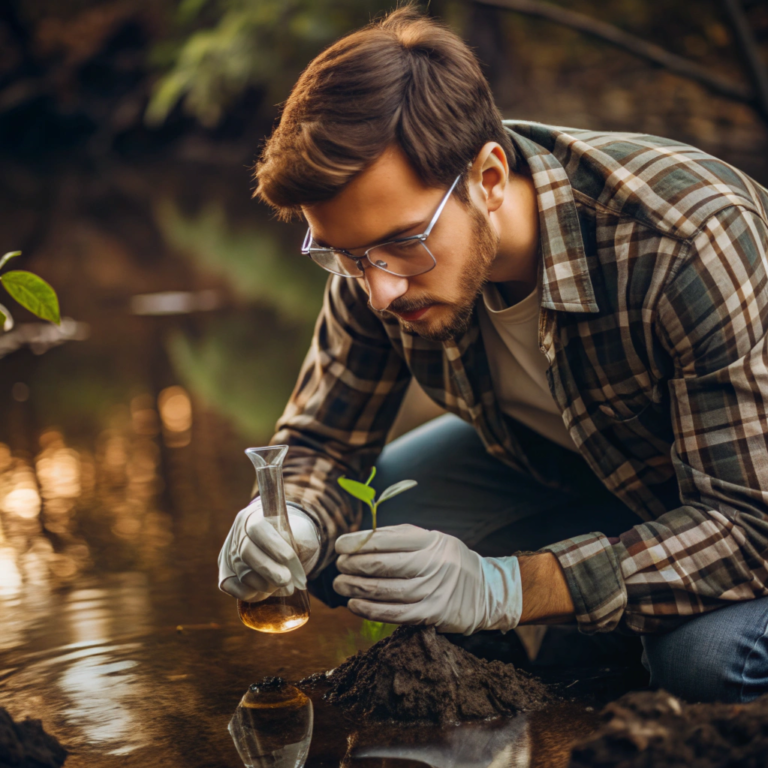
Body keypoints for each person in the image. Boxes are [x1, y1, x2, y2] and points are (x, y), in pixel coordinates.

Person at [218, 6, 768, 704]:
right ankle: (581, 639)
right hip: (600, 472)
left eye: (404, 244)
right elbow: (323, 442)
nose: (382, 291)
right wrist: (285, 518)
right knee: (350, 536)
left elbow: (750, 529)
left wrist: (511, 587)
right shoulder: (375, 263)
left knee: (703, 662)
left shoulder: (685, 241)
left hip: (747, 506)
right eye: (347, 257)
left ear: (488, 176)